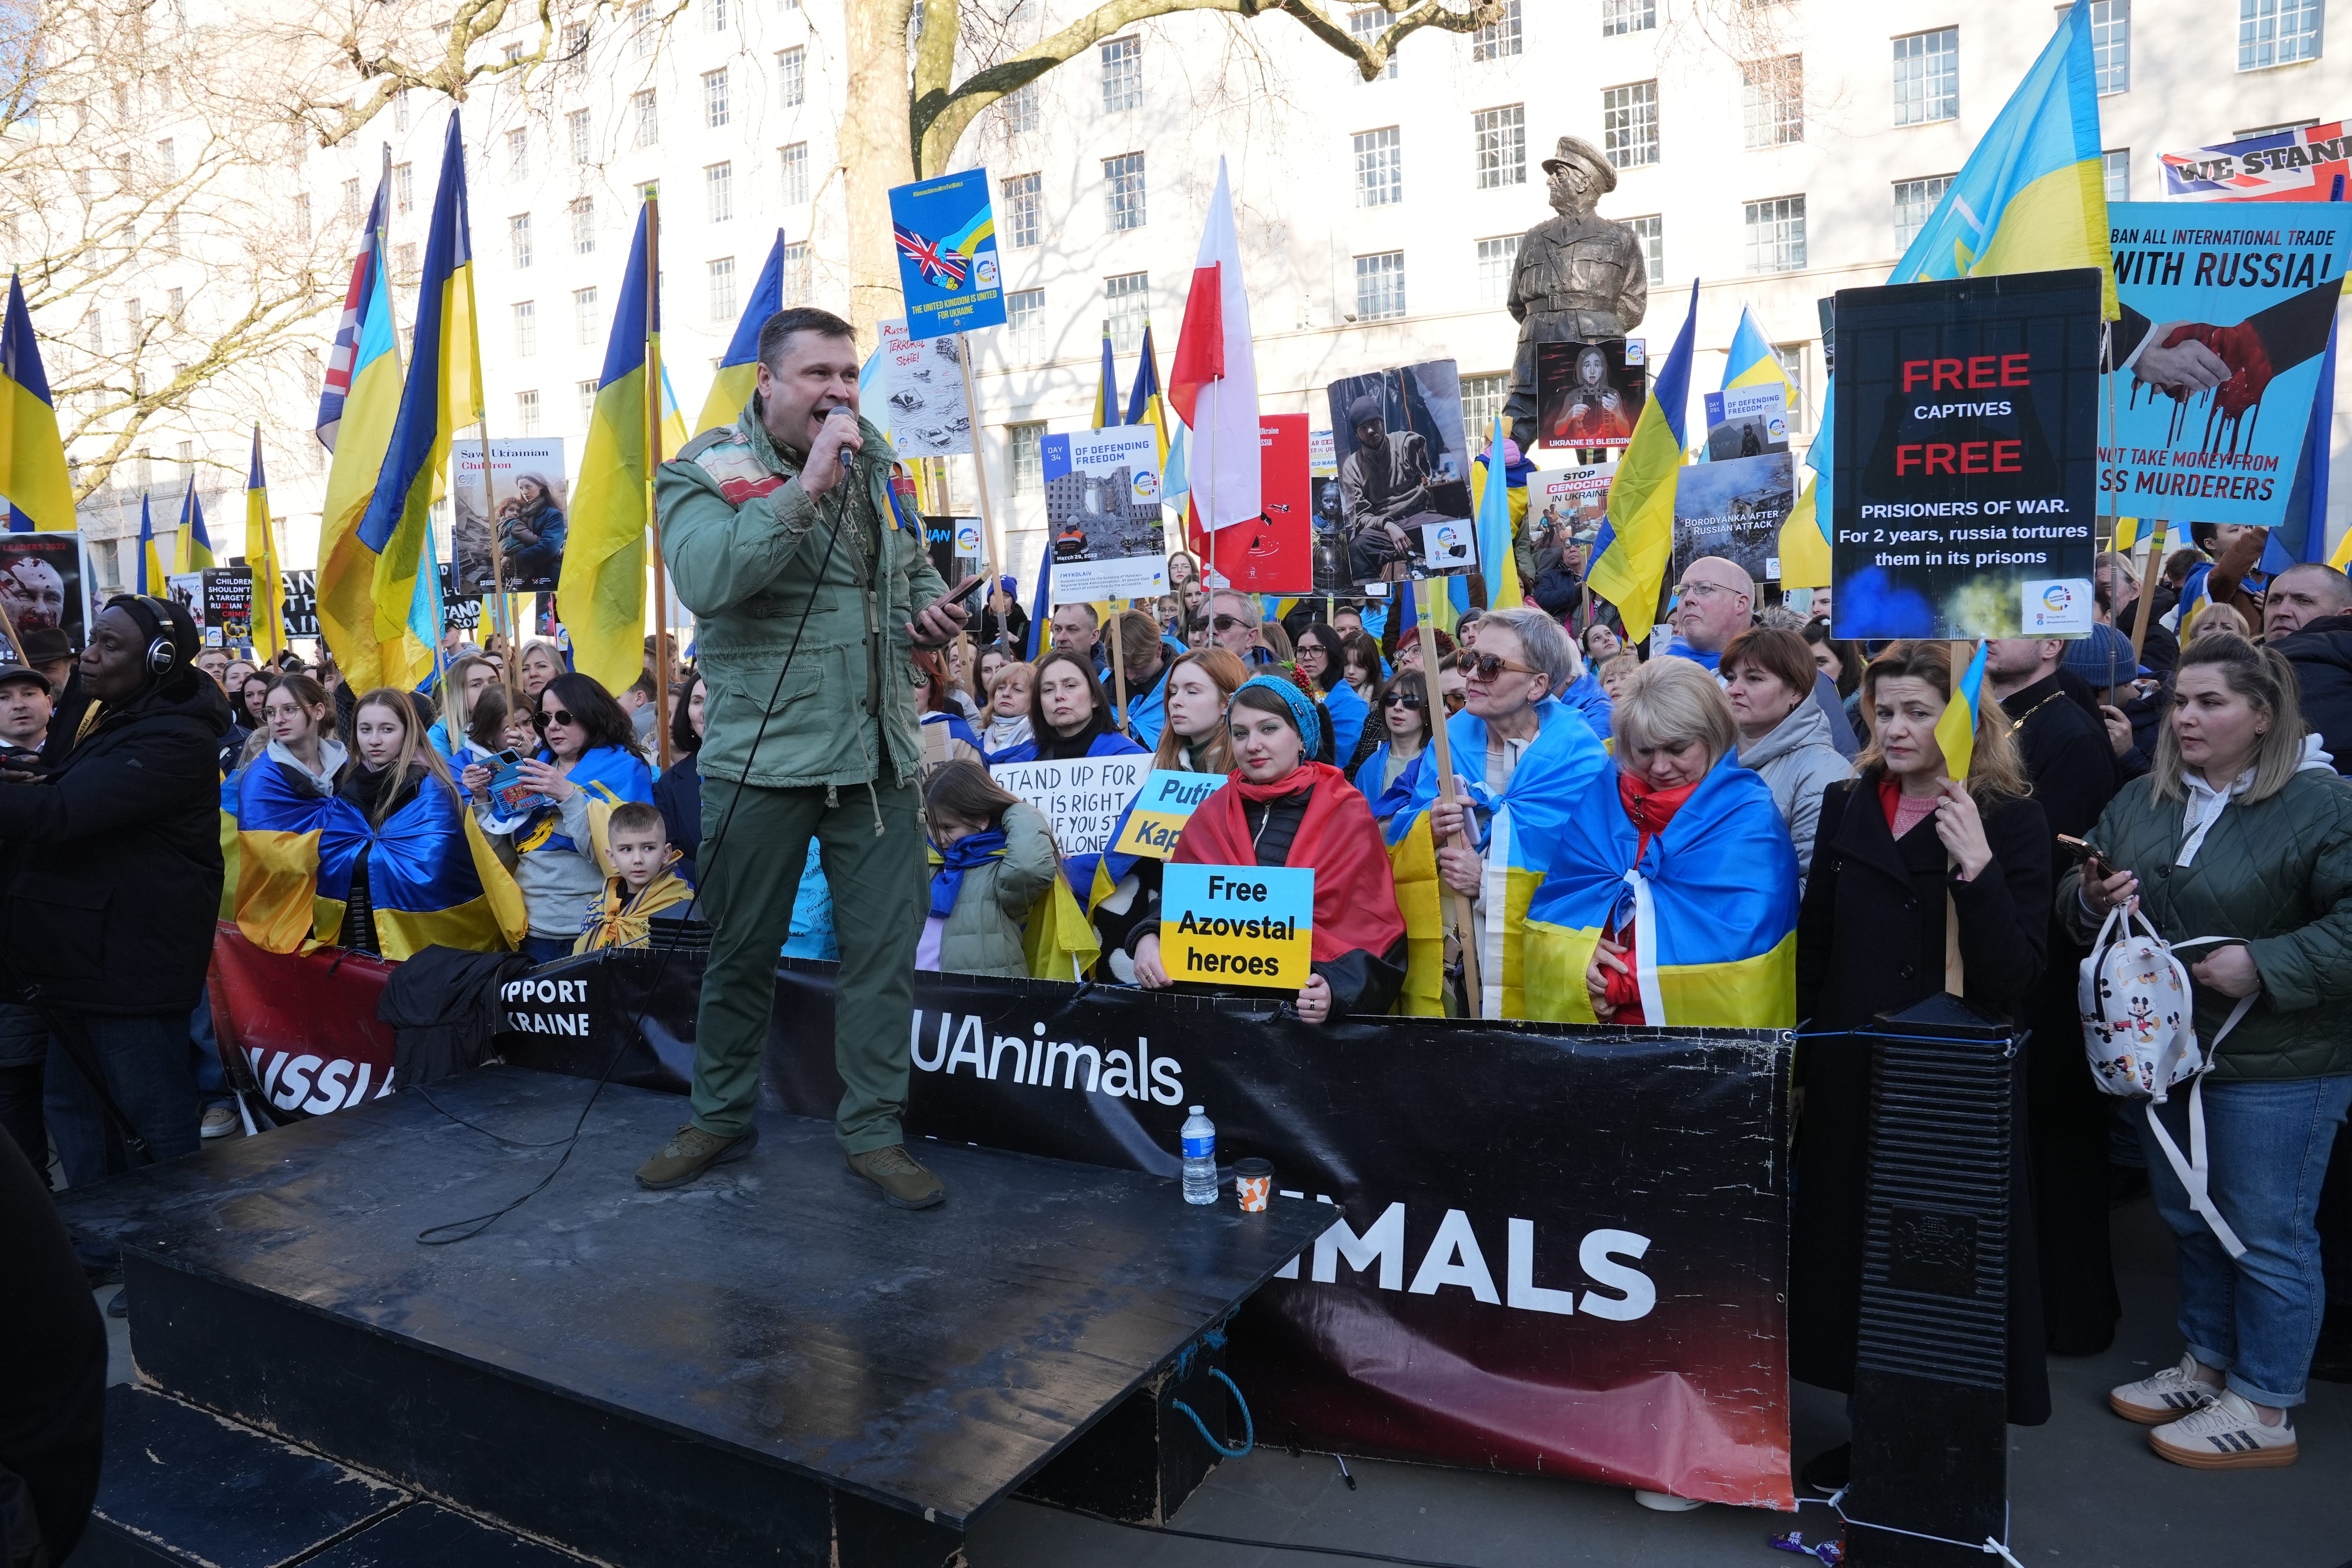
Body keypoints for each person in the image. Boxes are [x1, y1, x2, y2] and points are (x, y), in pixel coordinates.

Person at [654, 305, 971, 1207]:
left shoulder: (881, 464)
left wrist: (932, 610)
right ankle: (717, 1117)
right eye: (817, 375)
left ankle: (873, 1131)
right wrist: (807, 490)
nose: (838, 391)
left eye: (847, 374)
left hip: (875, 757)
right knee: (742, 952)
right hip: (761, 757)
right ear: (767, 381)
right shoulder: (706, 468)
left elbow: (909, 568)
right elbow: (709, 578)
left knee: (881, 955)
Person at [2065, 633, 2352, 1468]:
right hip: (2171, 1053)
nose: (2184, 716)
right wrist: (2089, 893)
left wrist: (2265, 964)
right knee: (2193, 1216)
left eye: (2210, 702)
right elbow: (2085, 874)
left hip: (2283, 1060)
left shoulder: (2324, 804)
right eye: (2181, 701)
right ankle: (2208, 1361)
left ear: (2264, 716)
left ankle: (2266, 1406)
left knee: (2266, 1230)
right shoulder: (2146, 797)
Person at [1791, 640, 2053, 1488]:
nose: (1896, 727)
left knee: (1935, 1263)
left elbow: (2017, 973)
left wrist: (1974, 867)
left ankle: (1929, 1438)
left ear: (1965, 717)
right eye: (1885, 710)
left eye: (1918, 711)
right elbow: (1818, 939)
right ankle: (1870, 1426)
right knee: (1852, 1250)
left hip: (1947, 1083)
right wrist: (1804, 1050)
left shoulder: (2007, 814)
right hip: (1851, 1067)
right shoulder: (1846, 799)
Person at [0, 596, 230, 1194]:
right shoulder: (104, 713)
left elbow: (63, 812)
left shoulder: (177, 739)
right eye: (91, 640)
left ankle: (178, 1255)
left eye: (108, 645)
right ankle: (103, 1250)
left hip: (131, 966)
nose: (89, 656)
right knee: (77, 1117)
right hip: (77, 958)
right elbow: (59, 784)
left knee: (151, 1121)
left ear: (158, 661)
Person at [1983, 634, 2129, 1356]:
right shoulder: (2015, 711)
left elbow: (2055, 861)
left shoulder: (2066, 728)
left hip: (2050, 965)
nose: (1985, 629)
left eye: (2007, 618)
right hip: (2019, 961)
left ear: (2049, 641)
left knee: (2061, 1145)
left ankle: (2071, 1316)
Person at [1525, 657, 1798, 1026]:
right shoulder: (1602, 801)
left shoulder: (1747, 816)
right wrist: (1577, 959)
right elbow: (1556, 910)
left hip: (1697, 1046)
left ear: (1714, 736)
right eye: (1644, 750)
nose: (1660, 768)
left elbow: (1736, 941)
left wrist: (1613, 982)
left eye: (1677, 749)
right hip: (1601, 1035)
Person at [1132, 674, 1408, 1020]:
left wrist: (1336, 991)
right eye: (1241, 733)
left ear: (1301, 738)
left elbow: (1374, 930)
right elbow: (1184, 905)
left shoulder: (1347, 812)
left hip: (1301, 1035)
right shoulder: (1210, 812)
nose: (1253, 745)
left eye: (1269, 729)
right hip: (1212, 1020)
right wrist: (1148, 939)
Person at [461, 673, 653, 962]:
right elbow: (504, 858)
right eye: (544, 719)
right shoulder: (533, 769)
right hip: (534, 931)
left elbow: (625, 860)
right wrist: (482, 800)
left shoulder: (625, 769)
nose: (552, 727)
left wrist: (569, 796)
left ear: (590, 715)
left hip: (598, 928)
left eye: (564, 717)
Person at [1722, 627, 1850, 887]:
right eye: (1732, 678)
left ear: (1796, 692)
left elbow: (1813, 888)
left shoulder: (1825, 774)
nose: (1735, 690)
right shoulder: (1712, 759)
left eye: (1754, 679)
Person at [918, 761, 1059, 978]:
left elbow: (1028, 868)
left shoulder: (1000, 866)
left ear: (983, 820)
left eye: (948, 828)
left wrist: (1017, 809)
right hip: (920, 1001)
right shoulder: (923, 859)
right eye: (931, 826)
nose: (939, 838)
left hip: (982, 1003)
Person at [1337, 394, 1441, 582]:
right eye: (1363, 427)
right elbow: (1360, 516)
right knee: (1357, 549)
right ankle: (1376, 605)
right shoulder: (1352, 466)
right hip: (1383, 531)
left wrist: (1419, 449)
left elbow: (1417, 445)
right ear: (1356, 434)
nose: (1370, 430)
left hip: (1419, 520)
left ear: (1382, 422)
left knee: (1458, 533)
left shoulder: (1401, 442)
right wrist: (1387, 525)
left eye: (1374, 423)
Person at [575, 801, 700, 952]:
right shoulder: (598, 909)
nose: (638, 859)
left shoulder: (682, 906)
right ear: (612, 857)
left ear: (666, 853)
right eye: (626, 849)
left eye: (648, 848)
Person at [2265, 562, 2352, 775]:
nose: (2282, 611)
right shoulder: (2236, 659)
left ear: (2345, 615)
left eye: (2303, 601)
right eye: (2274, 600)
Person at [990, 650, 1148, 764]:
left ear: (1095, 698)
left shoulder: (1130, 758)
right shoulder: (1019, 764)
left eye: (1070, 686)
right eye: (1048, 690)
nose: (1059, 696)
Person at [1352, 668, 1432, 817]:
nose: (1398, 707)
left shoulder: (1437, 764)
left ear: (1428, 713)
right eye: (1391, 699)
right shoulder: (1368, 769)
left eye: (1410, 701)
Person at [1293, 622, 1368, 764]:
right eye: (1301, 650)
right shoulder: (1289, 695)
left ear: (1332, 652)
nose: (1307, 657)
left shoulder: (1353, 705)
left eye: (1316, 650)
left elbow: (1342, 760)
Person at [1108, 610, 1172, 747]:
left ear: (1159, 650)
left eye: (1137, 666)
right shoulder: (1103, 686)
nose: (1130, 676)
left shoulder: (1183, 687)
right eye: (1122, 668)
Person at [428, 653, 502, 760]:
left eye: (494, 682)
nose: (488, 688)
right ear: (458, 692)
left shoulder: (515, 721)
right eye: (476, 684)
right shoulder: (441, 732)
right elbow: (443, 774)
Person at [500, 472, 568, 584]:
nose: (525, 492)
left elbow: (549, 547)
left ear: (541, 486)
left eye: (528, 487)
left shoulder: (553, 514)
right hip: (522, 575)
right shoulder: (520, 513)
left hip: (546, 576)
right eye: (521, 488)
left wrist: (514, 558)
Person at [0, 662, 53, 766]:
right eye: (3, 698)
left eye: (29, 694)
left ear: (49, 704)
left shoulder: (78, 750)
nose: (19, 705)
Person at [979, 660, 1035, 757]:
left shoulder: (1040, 743)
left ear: (1034, 699)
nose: (1006, 693)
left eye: (1017, 690)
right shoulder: (980, 743)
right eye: (1001, 688)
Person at [1210, 590, 1278, 666]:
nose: (1210, 631)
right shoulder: (1193, 675)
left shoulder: (1276, 676)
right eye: (1203, 623)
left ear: (1251, 637)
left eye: (1224, 622)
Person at [978, 575, 1029, 649]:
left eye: (1007, 596)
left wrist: (1017, 641)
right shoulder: (978, 625)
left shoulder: (1026, 627)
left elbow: (1034, 655)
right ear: (989, 599)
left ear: (1013, 602)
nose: (1001, 600)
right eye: (996, 594)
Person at [1049, 602, 1103, 668]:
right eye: (1058, 629)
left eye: (1072, 630)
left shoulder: (1114, 676)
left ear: (1094, 636)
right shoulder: (1038, 675)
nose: (1061, 638)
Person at [1338, 629, 1383, 703]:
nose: (1351, 671)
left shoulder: (1385, 696)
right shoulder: (1328, 690)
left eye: (1360, 666)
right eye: (1345, 664)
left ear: (1372, 665)